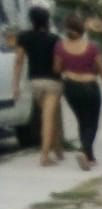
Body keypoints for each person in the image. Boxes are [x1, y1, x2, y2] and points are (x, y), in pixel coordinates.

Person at [54, 13, 102, 171]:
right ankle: (84, 149)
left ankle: (90, 157)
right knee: (92, 123)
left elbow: (56, 68)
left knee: (82, 121)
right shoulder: (92, 47)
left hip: (71, 88)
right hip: (89, 87)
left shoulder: (60, 47)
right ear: (81, 29)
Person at [12, 5, 63, 166]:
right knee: (48, 118)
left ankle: (57, 149)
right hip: (52, 82)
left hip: (34, 82)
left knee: (49, 116)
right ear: (47, 21)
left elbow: (19, 61)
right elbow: (58, 65)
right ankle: (45, 156)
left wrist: (16, 85)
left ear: (31, 20)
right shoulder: (54, 38)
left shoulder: (23, 37)